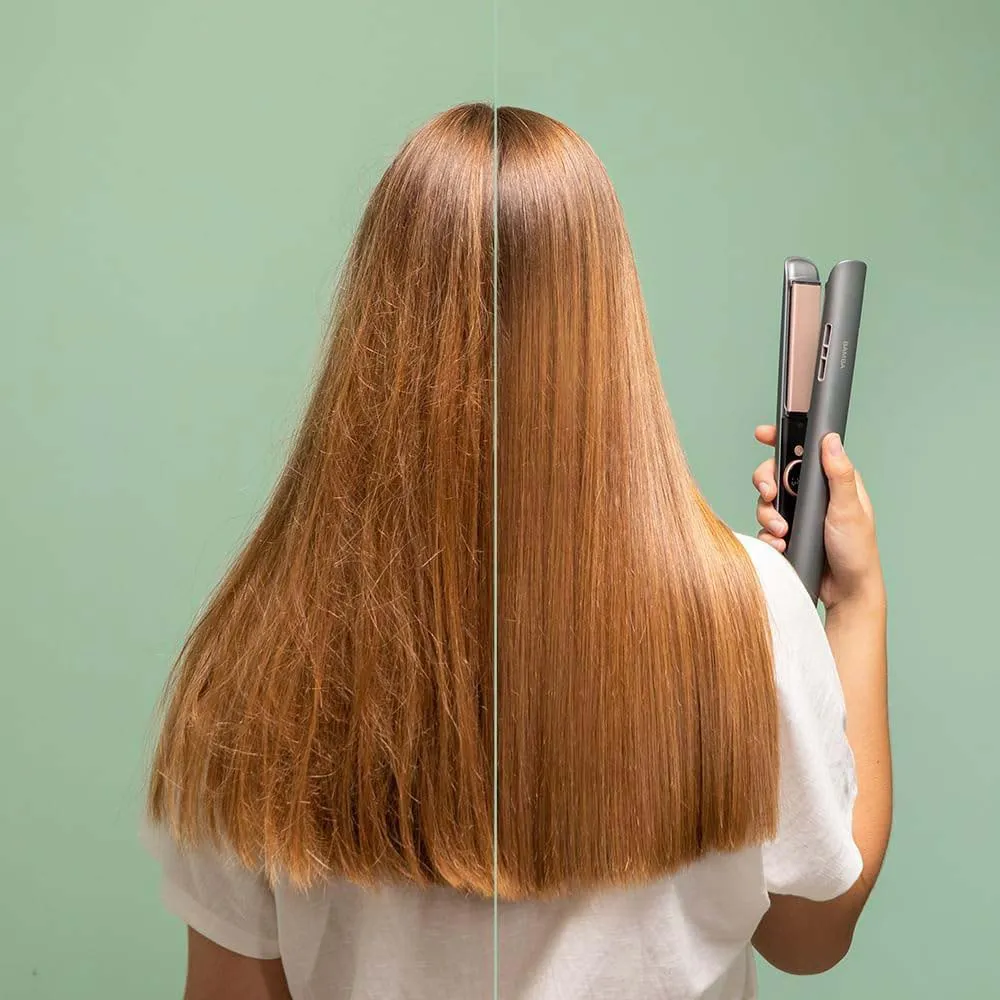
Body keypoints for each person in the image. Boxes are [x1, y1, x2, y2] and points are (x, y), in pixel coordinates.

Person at [142, 103, 892, 999]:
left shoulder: (257, 648)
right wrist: (855, 608)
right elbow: (811, 936)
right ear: (608, 320)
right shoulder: (749, 612)